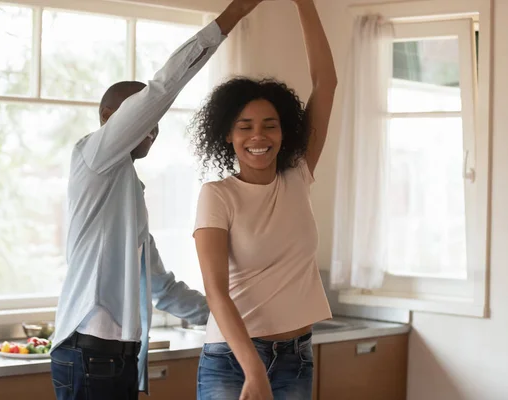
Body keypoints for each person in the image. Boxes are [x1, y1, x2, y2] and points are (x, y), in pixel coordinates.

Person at [49, 1, 268, 399]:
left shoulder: (127, 194)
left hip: (118, 358)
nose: (152, 132)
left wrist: (233, 318)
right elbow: (162, 89)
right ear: (108, 120)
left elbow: (161, 287)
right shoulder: (93, 156)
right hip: (87, 353)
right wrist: (230, 18)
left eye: (156, 127)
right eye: (143, 121)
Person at [190, 0, 338, 399]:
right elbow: (216, 291)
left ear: (284, 131)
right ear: (228, 135)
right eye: (246, 127)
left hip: (296, 358)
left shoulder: (297, 175)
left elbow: (327, 82)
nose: (259, 137)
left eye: (269, 126)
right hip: (233, 359)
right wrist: (253, 371)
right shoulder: (217, 196)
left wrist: (303, 3)